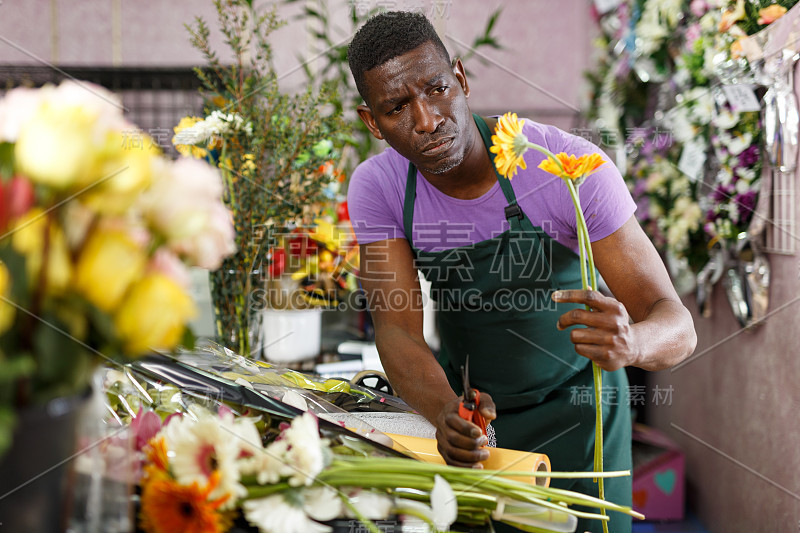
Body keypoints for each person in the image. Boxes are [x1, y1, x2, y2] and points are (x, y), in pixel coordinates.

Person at [346, 11, 696, 533]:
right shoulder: (379, 188)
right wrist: (447, 413)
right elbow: (396, 329)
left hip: (582, 418)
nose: (426, 119)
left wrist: (634, 343)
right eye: (397, 108)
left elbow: (678, 327)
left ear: (461, 79)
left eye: (437, 89)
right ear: (372, 122)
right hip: (476, 419)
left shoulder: (565, 168)